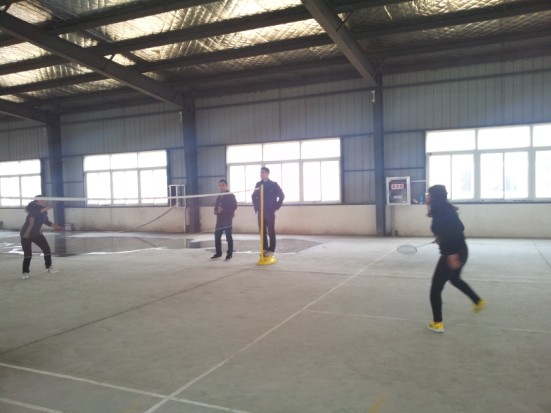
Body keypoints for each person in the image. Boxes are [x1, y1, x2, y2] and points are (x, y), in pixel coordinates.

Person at [425, 185, 486, 332]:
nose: (427, 196)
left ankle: (437, 323)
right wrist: (442, 237)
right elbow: (459, 228)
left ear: (434, 197)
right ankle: (478, 301)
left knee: (435, 289)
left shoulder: (440, 213)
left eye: (429, 194)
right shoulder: (446, 209)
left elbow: (455, 232)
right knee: (455, 279)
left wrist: (452, 254)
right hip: (462, 250)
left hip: (452, 253)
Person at [20, 196, 64, 279]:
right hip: (26, 234)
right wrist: (47, 207)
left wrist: (56, 226)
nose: (45, 201)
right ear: (38, 201)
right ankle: (25, 272)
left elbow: (46, 221)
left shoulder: (44, 211)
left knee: (46, 249)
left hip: (37, 234)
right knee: (28, 254)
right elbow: (35, 214)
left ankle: (49, 267)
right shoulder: (33, 208)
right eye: (43, 199)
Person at [251, 167, 285, 256]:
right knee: (262, 231)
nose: (261, 174)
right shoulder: (258, 184)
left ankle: (271, 250)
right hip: (261, 212)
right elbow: (253, 196)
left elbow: (282, 196)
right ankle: (264, 248)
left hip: (270, 212)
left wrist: (276, 207)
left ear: (267, 173)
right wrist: (257, 207)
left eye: (263, 172)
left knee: (270, 231)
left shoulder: (273, 185)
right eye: (260, 172)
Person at [211, 179, 237, 260]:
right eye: (220, 185)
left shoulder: (231, 195)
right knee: (217, 236)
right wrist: (215, 210)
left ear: (226, 186)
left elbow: (234, 206)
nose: (221, 187)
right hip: (219, 219)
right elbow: (216, 206)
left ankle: (229, 253)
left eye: (222, 185)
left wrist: (223, 209)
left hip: (227, 219)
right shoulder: (219, 196)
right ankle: (218, 253)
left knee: (228, 236)